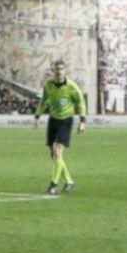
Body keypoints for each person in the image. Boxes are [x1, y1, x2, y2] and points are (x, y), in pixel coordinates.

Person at [35, 60, 87, 194]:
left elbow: (80, 103)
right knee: (53, 154)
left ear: (65, 71)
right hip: (53, 120)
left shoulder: (72, 87)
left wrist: (82, 121)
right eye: (57, 69)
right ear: (53, 71)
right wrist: (37, 115)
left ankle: (53, 184)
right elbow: (44, 101)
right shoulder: (49, 85)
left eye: (61, 69)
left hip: (66, 120)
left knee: (58, 151)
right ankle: (69, 181)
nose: (59, 71)